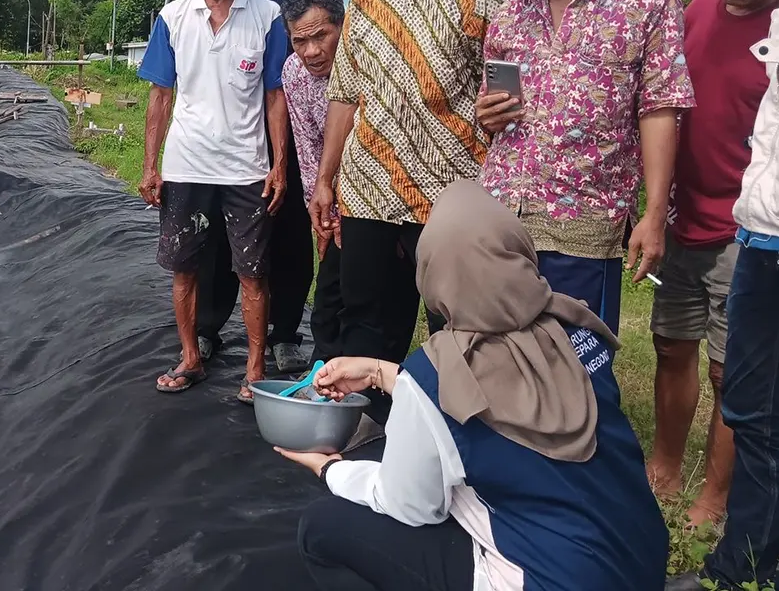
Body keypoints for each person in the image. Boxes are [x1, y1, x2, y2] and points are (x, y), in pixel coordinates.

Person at [275, 180, 667, 591]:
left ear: (432, 273)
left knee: (322, 528)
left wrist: (333, 471)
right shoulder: (572, 326)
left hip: (550, 579)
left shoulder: (436, 376)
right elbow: (503, 386)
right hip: (639, 562)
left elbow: (411, 507)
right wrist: (378, 372)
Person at [668, 0, 779, 587]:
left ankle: (743, 524)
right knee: (708, 371)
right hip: (717, 223)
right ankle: (683, 486)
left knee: (763, 396)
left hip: (774, 232)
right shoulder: (702, 10)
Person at [308, 0, 504, 390]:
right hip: (369, 191)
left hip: (451, 195)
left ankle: (458, 436)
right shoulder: (365, 2)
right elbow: (346, 95)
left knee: (458, 323)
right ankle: (369, 436)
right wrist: (326, 181)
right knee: (367, 320)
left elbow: (509, 89)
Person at [477, 0, 695, 334]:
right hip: (501, 219)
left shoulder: (647, 4)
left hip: (583, 220)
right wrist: (487, 115)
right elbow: (492, 110)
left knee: (578, 367)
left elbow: (660, 111)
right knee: (502, 359)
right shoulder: (509, 16)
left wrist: (654, 215)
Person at [137, 0, 290, 403]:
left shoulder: (267, 17)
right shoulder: (174, 17)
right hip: (186, 165)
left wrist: (279, 164)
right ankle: (190, 356)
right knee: (185, 267)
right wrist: (149, 166)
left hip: (247, 167)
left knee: (253, 272)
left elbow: (275, 96)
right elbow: (160, 96)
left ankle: (254, 367)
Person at [191, 0, 319, 375]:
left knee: (288, 238)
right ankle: (207, 327)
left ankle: (284, 333)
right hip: (231, 138)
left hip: (295, 138)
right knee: (219, 241)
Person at [279, 0, 345, 366]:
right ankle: (325, 372)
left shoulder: (363, 60)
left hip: (382, 192)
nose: (312, 52)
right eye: (300, 41)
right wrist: (320, 213)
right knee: (330, 294)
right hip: (329, 189)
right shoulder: (294, 72)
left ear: (341, 26)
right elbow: (307, 146)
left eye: (321, 36)